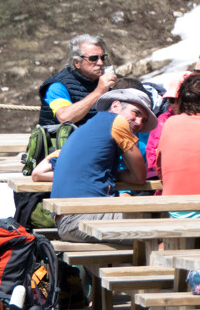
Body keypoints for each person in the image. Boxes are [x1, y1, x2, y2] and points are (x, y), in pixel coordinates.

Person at [46, 86, 156, 242]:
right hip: (81, 218)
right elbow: (139, 177)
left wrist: (102, 173)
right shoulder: (117, 121)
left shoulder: (85, 129)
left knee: (152, 224)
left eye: (143, 120)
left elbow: (38, 173)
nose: (139, 122)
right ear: (116, 105)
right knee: (158, 229)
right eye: (136, 113)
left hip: (67, 219)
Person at [36, 34, 116, 127]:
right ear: (77, 62)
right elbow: (64, 117)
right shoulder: (57, 86)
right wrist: (98, 92)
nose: (100, 63)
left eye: (103, 57)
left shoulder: (102, 82)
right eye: (93, 58)